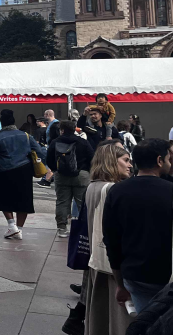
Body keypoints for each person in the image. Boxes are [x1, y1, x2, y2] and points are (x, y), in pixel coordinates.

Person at [64, 141, 134, 335]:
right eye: (126, 160)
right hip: (111, 262)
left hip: (97, 257)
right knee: (118, 315)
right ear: (112, 161)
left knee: (99, 312)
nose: (130, 165)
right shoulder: (113, 189)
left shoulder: (93, 186)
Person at [103, 138, 173, 315]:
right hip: (166, 273)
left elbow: (112, 241)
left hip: (134, 274)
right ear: (159, 161)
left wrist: (120, 283)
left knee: (145, 321)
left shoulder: (117, 191)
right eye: (168, 159)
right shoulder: (169, 190)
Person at [0, 109, 45, 240]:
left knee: (4, 199)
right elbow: (39, 151)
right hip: (24, 170)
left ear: (1, 123)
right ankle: (19, 229)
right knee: (24, 200)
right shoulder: (25, 135)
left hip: (3, 171)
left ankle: (11, 225)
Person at [46, 120, 94, 238]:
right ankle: (86, 227)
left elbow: (49, 159)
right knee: (82, 203)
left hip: (61, 175)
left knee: (62, 202)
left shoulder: (55, 142)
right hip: (81, 175)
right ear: (74, 129)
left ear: (61, 130)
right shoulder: (83, 142)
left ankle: (62, 228)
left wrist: (56, 169)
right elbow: (92, 158)